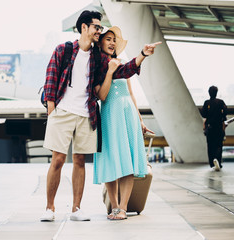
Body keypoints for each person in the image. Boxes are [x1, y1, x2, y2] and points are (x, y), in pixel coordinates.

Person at [40, 10, 161, 222]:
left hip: (86, 114)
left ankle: (76, 209)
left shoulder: (98, 57)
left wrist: (142, 55)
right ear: (84, 27)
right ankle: (49, 208)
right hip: (63, 112)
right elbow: (50, 81)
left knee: (79, 160)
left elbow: (122, 71)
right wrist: (52, 114)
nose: (99, 30)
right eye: (97, 26)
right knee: (58, 159)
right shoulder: (63, 50)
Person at [93, 26, 156, 220]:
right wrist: (110, 72)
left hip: (127, 113)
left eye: (114, 40)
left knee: (127, 161)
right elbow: (101, 95)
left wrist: (140, 120)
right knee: (111, 160)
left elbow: (131, 93)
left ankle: (123, 207)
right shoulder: (96, 65)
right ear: (100, 42)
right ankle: (114, 207)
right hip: (110, 114)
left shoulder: (118, 63)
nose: (112, 42)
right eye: (108, 39)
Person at [201, 86, 227, 171]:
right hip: (219, 127)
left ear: (209, 93)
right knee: (219, 145)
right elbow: (225, 113)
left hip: (210, 128)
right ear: (216, 92)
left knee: (210, 146)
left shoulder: (206, 103)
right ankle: (218, 161)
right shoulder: (221, 102)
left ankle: (212, 163)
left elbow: (204, 115)